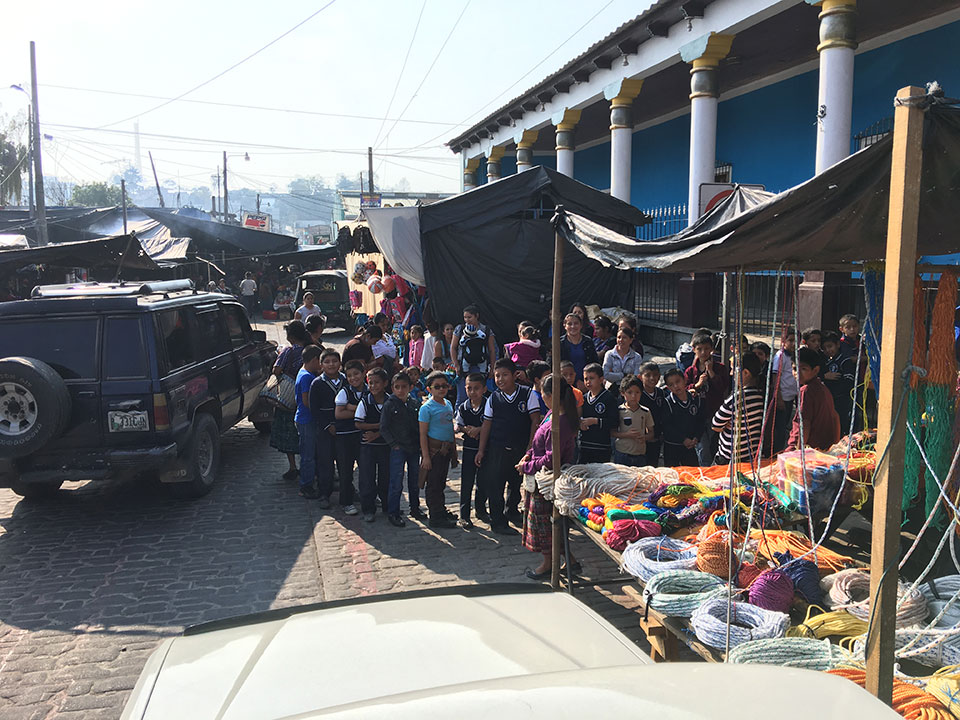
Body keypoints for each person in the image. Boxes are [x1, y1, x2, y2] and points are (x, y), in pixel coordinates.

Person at [520, 373, 578, 580]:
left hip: (549, 480)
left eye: (543, 393)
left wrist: (527, 466)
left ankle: (547, 564)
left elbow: (551, 458)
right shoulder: (551, 414)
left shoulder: (561, 423)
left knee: (546, 526)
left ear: (551, 395)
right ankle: (569, 559)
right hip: (539, 477)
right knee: (549, 524)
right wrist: (527, 455)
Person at [476, 358, 542, 534]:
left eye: (505, 375)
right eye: (497, 376)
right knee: (495, 486)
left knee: (515, 482)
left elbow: (535, 421)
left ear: (515, 375)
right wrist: (481, 450)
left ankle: (512, 511)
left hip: (520, 449)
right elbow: (486, 425)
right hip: (497, 449)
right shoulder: (493, 399)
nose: (500, 379)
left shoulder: (528, 395)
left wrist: (530, 448)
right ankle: (498, 522)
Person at [380, 372, 423, 527]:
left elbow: (419, 425)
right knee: (396, 482)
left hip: (413, 447)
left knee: (414, 480)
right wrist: (393, 444)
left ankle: (415, 508)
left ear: (410, 387)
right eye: (397, 387)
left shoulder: (414, 403)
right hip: (398, 448)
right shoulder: (389, 405)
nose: (400, 390)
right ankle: (394, 512)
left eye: (403, 387)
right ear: (392, 388)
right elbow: (383, 428)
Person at [270, 321, 311, 481]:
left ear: (291, 336)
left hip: (287, 398)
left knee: (288, 433)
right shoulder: (310, 349)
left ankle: (293, 466)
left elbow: (277, 370)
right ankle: (308, 464)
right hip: (306, 396)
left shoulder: (288, 351)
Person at [419, 371, 459, 529]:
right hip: (434, 451)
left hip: (446, 450)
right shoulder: (426, 408)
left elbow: (450, 428)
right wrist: (426, 456)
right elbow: (422, 434)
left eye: (444, 386)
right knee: (433, 484)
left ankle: (440, 510)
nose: (441, 389)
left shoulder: (447, 403)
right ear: (429, 389)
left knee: (441, 482)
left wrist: (454, 452)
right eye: (437, 387)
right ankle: (435, 516)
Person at [712, 352, 766, 465]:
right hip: (751, 454)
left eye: (733, 370)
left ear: (746, 373)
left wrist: (726, 425)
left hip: (730, 457)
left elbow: (715, 425)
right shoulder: (761, 394)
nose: (731, 373)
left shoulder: (736, 398)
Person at [684, 332, 729, 464]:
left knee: (714, 445)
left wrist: (711, 373)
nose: (703, 352)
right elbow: (685, 390)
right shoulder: (690, 371)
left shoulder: (720, 368)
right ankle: (705, 471)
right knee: (702, 448)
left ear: (712, 349)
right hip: (697, 415)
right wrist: (697, 385)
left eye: (706, 349)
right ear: (694, 350)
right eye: (699, 349)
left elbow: (723, 387)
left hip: (714, 412)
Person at [787, 347, 842, 451]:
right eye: (794, 369)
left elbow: (805, 424)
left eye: (803, 369)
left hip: (808, 449)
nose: (797, 373)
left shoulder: (806, 390)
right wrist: (834, 444)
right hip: (823, 448)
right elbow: (835, 417)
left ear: (815, 370)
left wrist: (799, 452)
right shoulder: (823, 388)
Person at [308, 348, 344, 508]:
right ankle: (325, 494)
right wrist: (327, 426)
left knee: (345, 462)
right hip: (325, 430)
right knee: (326, 463)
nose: (331, 365)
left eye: (334, 361)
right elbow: (314, 409)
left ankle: (348, 491)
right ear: (321, 365)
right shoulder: (317, 383)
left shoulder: (346, 380)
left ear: (340, 364)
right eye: (327, 362)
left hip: (344, 428)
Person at [355, 368, 391, 522]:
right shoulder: (365, 402)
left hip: (385, 446)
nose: (374, 386)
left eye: (377, 383)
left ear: (385, 383)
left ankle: (388, 506)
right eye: (371, 383)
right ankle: (368, 509)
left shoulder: (391, 401)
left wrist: (378, 432)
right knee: (367, 478)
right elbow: (358, 423)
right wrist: (379, 425)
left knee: (386, 477)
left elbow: (394, 425)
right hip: (367, 447)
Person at [455, 372, 488, 527]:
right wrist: (467, 430)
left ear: (484, 389)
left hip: (486, 449)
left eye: (476, 388)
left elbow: (492, 424)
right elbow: (458, 425)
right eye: (469, 388)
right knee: (467, 482)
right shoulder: (463, 407)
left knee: (483, 481)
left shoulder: (489, 405)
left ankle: (481, 510)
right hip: (468, 449)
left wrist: (480, 429)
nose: (473, 392)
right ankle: (464, 515)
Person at [333, 359, 366, 516]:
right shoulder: (344, 392)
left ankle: (368, 498)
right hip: (345, 437)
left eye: (356, 374)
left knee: (366, 470)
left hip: (363, 437)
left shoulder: (369, 390)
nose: (353, 378)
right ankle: (346, 502)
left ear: (363, 373)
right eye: (350, 375)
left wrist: (351, 408)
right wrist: (362, 411)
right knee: (346, 471)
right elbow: (339, 414)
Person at [662, 368, 706, 467]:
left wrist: (696, 437)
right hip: (672, 447)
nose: (676, 386)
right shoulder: (668, 403)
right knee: (672, 477)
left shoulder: (695, 399)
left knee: (693, 475)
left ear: (685, 380)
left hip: (690, 446)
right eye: (671, 384)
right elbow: (667, 426)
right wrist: (683, 439)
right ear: (668, 387)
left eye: (678, 381)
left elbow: (700, 421)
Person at [294, 345, 323, 499]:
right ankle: (306, 485)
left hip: (307, 419)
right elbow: (307, 401)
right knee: (308, 454)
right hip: (307, 420)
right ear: (314, 360)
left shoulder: (305, 372)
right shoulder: (306, 377)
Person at [452, 304, 497, 398]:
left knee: (483, 395)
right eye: (465, 317)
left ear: (477, 316)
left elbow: (492, 350)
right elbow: (453, 347)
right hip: (463, 367)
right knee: (462, 396)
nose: (467, 320)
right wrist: (456, 365)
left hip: (481, 366)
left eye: (470, 317)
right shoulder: (460, 329)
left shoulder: (486, 330)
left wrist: (492, 367)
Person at [579, 362, 618, 463]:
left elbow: (614, 422)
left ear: (601, 379)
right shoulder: (583, 398)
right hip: (585, 445)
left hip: (602, 447)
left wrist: (596, 421)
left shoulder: (609, 398)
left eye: (592, 378)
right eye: (586, 379)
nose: (588, 382)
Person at [612, 375, 655, 466]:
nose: (633, 396)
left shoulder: (645, 411)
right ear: (622, 393)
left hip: (639, 454)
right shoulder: (619, 411)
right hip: (622, 453)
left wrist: (644, 437)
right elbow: (612, 432)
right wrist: (627, 435)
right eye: (629, 392)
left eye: (637, 392)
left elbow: (651, 433)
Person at [820, 331, 855, 432]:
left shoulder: (844, 361)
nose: (828, 350)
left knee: (840, 425)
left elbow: (849, 381)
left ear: (838, 345)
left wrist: (837, 392)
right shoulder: (825, 361)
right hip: (827, 400)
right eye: (824, 348)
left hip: (841, 400)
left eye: (830, 346)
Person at [771, 328, 799, 453]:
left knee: (788, 424)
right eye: (790, 340)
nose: (793, 344)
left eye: (796, 340)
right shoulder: (780, 356)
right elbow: (775, 377)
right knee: (780, 428)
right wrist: (779, 397)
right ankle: (776, 452)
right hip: (783, 397)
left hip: (791, 396)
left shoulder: (795, 355)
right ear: (783, 341)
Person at [558, 313, 599, 388]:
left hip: (587, 383)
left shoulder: (588, 342)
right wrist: (576, 381)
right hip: (565, 384)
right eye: (569, 324)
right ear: (565, 325)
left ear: (581, 325)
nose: (573, 326)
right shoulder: (559, 343)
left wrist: (587, 381)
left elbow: (594, 362)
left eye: (576, 323)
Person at [639, 362, 667, 466]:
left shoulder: (661, 393)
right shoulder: (638, 394)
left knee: (653, 465)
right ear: (640, 377)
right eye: (647, 375)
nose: (652, 378)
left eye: (655, 375)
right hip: (642, 439)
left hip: (657, 437)